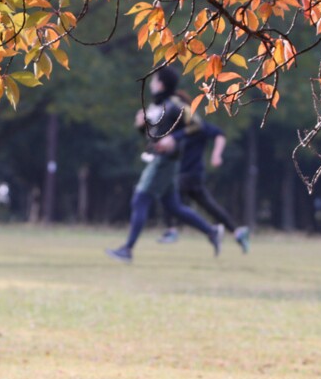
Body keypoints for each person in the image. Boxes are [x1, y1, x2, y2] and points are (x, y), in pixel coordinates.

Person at [106, 67, 224, 263]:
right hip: (164, 161)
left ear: (160, 84)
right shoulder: (157, 107)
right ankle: (211, 232)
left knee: (140, 200)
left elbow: (198, 125)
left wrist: (174, 138)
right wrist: (141, 126)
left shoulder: (175, 105)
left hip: (165, 162)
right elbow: (152, 138)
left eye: (153, 81)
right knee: (174, 207)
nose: (151, 84)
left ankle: (127, 250)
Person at [155, 107, 251, 253]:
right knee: (209, 206)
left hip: (192, 174)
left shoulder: (199, 127)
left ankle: (172, 230)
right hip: (186, 174)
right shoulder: (179, 130)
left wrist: (216, 155)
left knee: (168, 192)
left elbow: (220, 135)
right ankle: (234, 232)